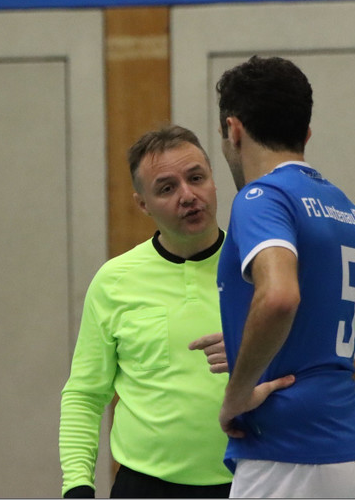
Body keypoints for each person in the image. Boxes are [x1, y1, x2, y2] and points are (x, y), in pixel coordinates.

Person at [211, 55, 355, 497]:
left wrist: (237, 394)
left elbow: (279, 296)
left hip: (287, 455)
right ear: (306, 134)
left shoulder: (262, 198)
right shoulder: (344, 209)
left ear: (233, 130)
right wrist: (342, 387)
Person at [59, 125, 234, 498]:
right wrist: (77, 485)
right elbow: (85, 393)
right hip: (144, 485)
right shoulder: (114, 281)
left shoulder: (261, 267)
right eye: (167, 188)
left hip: (251, 480)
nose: (188, 196)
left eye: (196, 178)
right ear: (143, 204)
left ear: (213, 181)